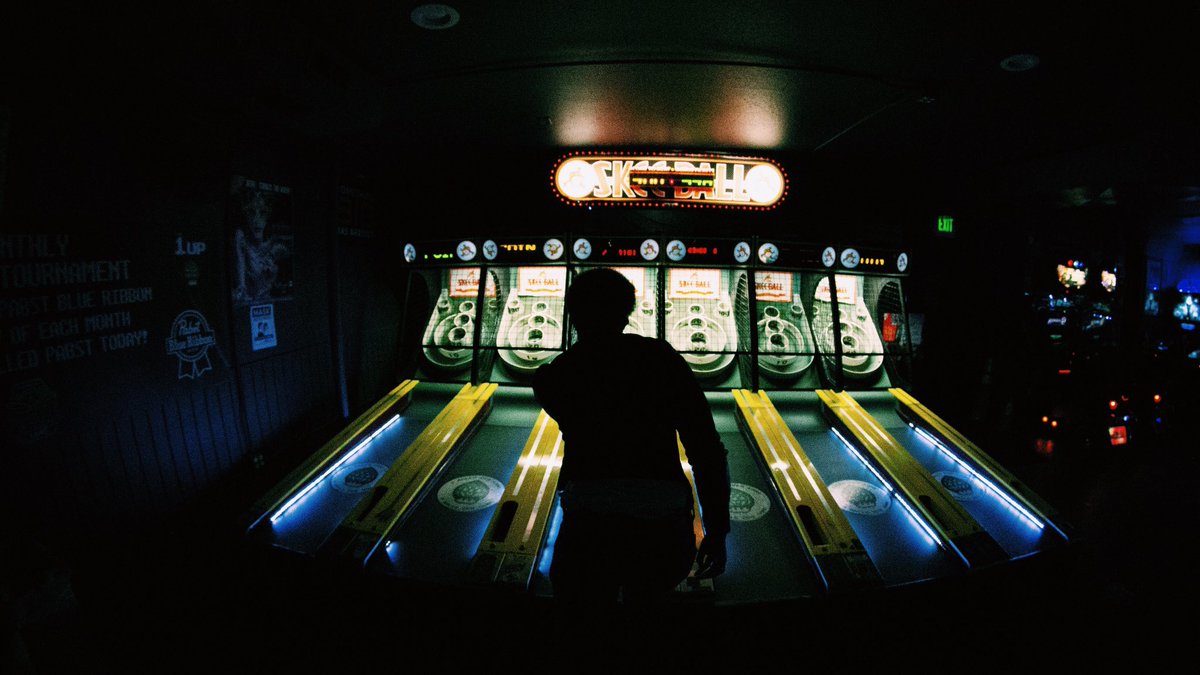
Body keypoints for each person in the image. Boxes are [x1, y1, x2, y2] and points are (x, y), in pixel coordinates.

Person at [533, 268, 731, 610]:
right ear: (627, 315)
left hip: (588, 522)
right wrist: (717, 530)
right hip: (662, 521)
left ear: (571, 313)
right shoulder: (662, 359)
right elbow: (706, 451)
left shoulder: (554, 376)